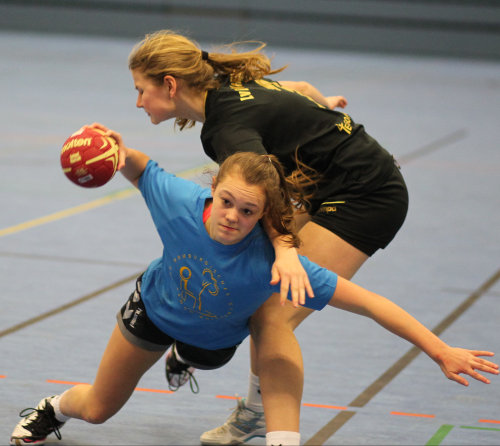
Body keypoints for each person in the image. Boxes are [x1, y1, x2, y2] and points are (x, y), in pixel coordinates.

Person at [10, 142, 498, 446]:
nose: (231, 217)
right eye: (226, 201)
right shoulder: (179, 203)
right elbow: (139, 166)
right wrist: (112, 147)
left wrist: (439, 349)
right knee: (98, 410)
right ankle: (51, 407)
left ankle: (185, 356)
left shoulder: (276, 265)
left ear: (264, 215)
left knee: (206, 355)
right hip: (153, 313)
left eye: (248, 212)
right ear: (213, 187)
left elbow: (371, 304)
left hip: (214, 340)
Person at [125, 30, 410, 443]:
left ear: (170, 84)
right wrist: (320, 116)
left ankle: (262, 418)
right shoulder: (229, 87)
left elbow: (269, 190)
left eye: (140, 90)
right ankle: (202, 357)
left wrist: (286, 250)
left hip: (367, 196)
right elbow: (302, 89)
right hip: (331, 185)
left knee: (273, 314)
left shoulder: (227, 130)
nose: (137, 102)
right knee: (260, 293)